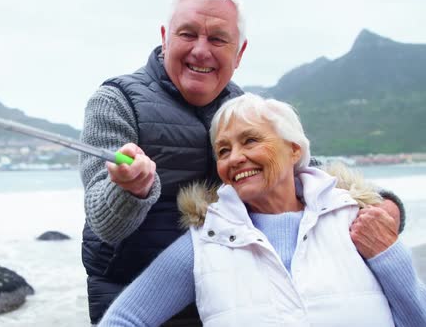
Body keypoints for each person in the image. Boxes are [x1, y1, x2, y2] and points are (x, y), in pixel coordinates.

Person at [79, 0, 405, 325]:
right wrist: (129, 189)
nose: (201, 50)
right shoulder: (116, 102)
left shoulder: (240, 105)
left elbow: (299, 166)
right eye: (188, 34)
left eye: (218, 38)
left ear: (240, 53)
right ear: (165, 37)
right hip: (142, 299)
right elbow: (105, 225)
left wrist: (382, 204)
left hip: (231, 295)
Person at [98, 93, 426, 326]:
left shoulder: (357, 222)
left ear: (294, 149)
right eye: (223, 150)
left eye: (251, 140)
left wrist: (390, 255)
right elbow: (125, 318)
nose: (235, 157)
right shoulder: (205, 243)